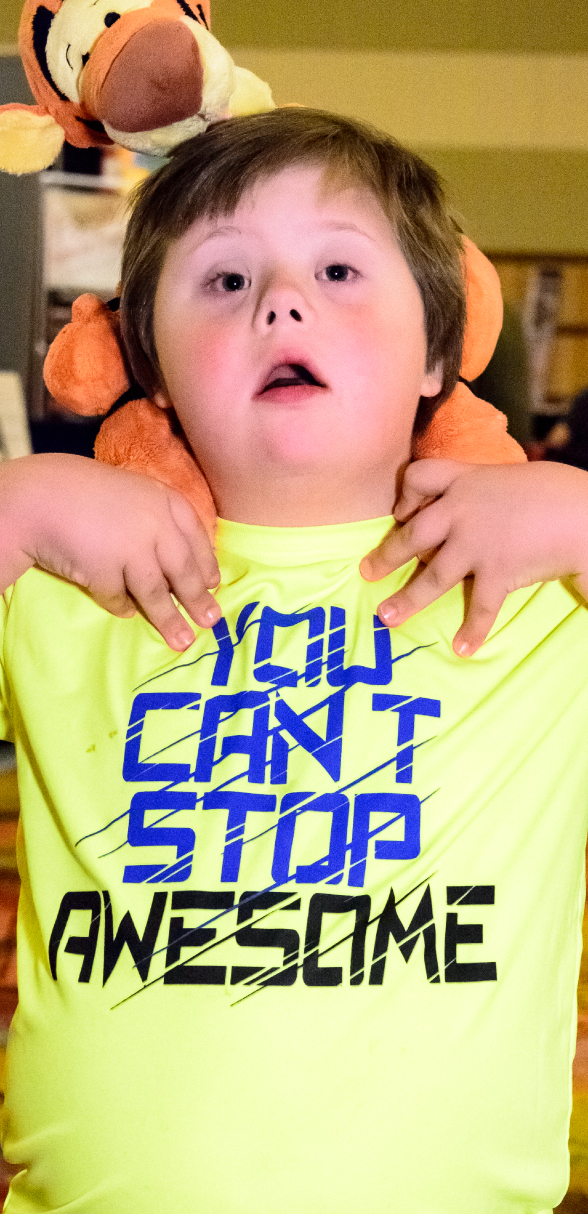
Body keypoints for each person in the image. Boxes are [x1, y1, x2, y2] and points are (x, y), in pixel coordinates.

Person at [1, 108, 588, 1214]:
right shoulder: (61, 576)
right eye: (224, 281)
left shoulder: (544, 591)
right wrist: (13, 501)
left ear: (434, 352)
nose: (282, 300)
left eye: (336, 265)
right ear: (150, 371)